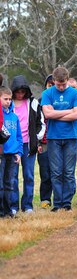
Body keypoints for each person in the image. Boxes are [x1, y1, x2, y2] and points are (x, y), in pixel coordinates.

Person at [41, 66, 77, 212]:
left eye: (63, 84)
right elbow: (47, 114)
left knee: (69, 172)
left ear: (67, 80)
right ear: (53, 81)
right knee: (56, 171)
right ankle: (57, 203)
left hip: (71, 137)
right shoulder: (47, 93)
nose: (61, 87)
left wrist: (56, 112)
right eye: (58, 84)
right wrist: (69, 111)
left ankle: (67, 203)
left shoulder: (75, 93)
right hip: (53, 138)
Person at [10, 75, 45, 214]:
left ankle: (28, 205)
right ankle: (13, 206)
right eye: (17, 92)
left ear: (27, 91)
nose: (20, 95)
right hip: (13, 145)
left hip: (29, 145)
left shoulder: (33, 103)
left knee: (29, 175)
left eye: (22, 92)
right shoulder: (8, 103)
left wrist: (36, 139)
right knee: (12, 176)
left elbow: (40, 123)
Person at [0, 87, 23, 218]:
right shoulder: (0, 116)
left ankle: (9, 211)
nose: (8, 101)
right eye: (5, 99)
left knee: (9, 184)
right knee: (1, 184)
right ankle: (1, 211)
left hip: (12, 154)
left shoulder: (14, 117)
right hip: (2, 153)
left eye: (10, 99)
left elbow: (19, 137)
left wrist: (19, 153)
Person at [37, 74, 54, 208]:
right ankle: (45, 199)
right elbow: (35, 124)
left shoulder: (62, 100)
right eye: (49, 85)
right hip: (44, 141)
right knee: (45, 172)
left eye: (54, 85)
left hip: (59, 139)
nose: (51, 87)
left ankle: (62, 199)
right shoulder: (39, 102)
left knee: (59, 171)